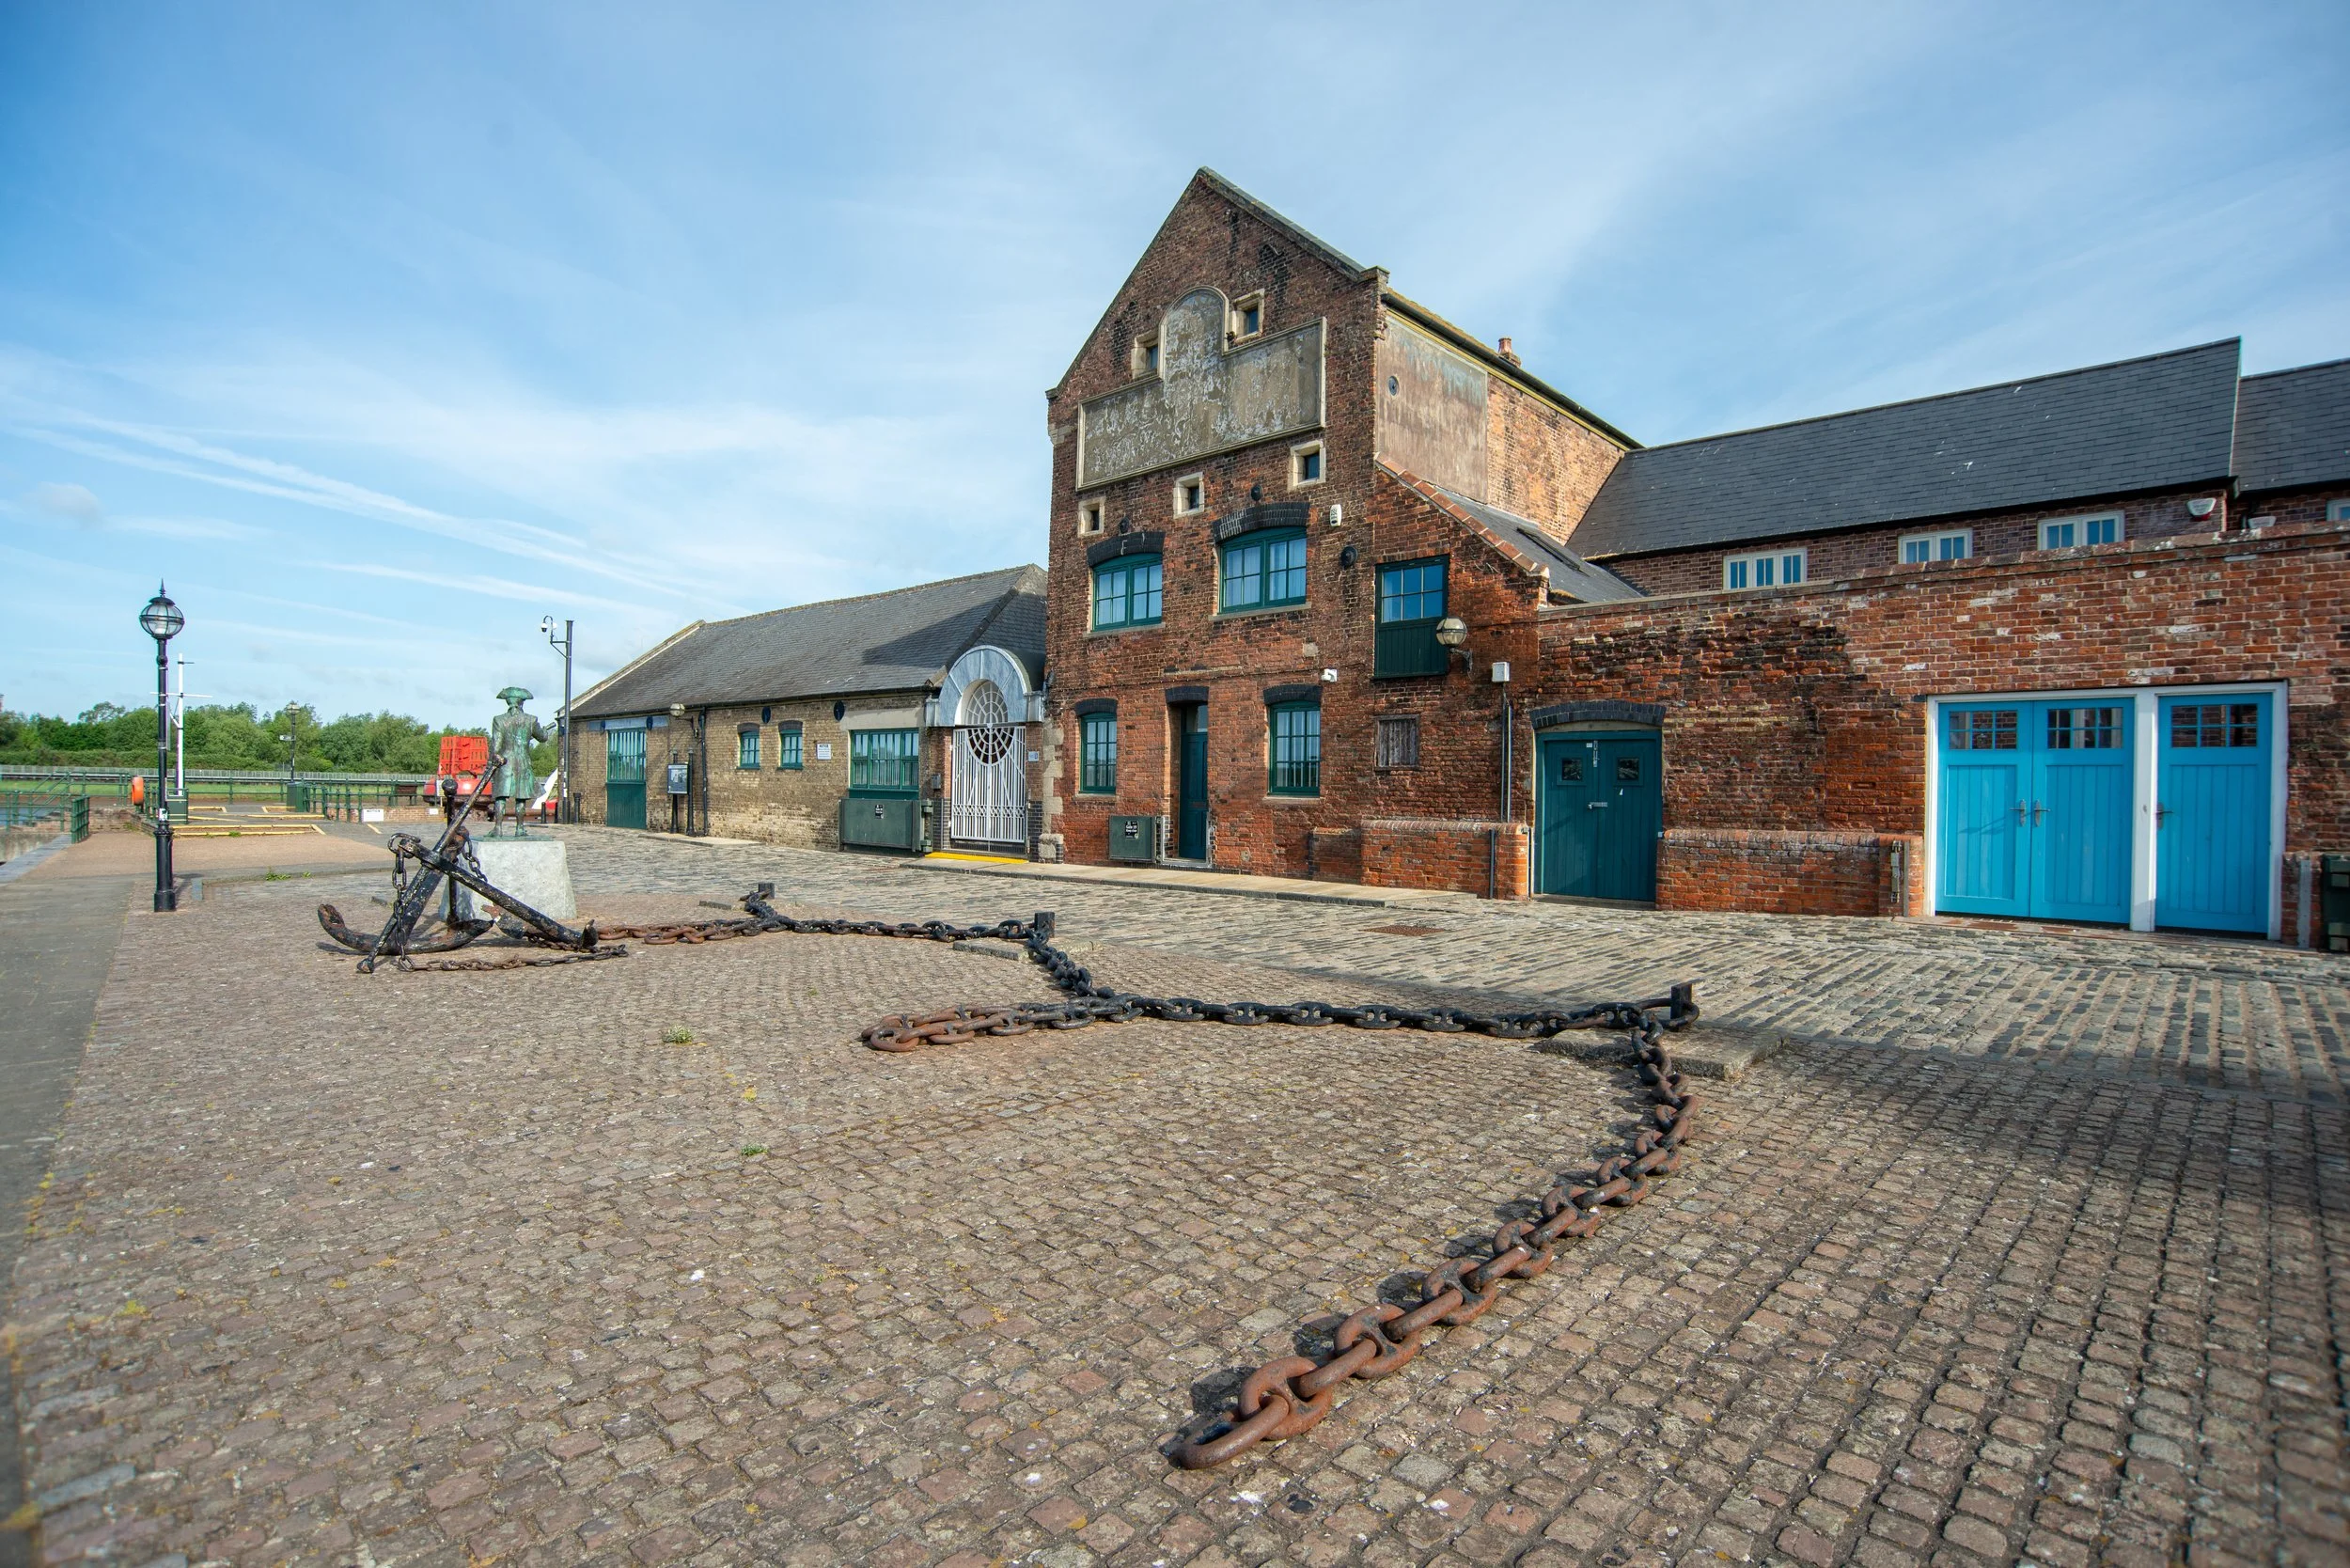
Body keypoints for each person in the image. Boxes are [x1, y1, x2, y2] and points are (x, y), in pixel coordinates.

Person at [488, 687, 553, 838]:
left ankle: (498, 828)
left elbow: (496, 746)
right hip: (523, 762)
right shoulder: (531, 720)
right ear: (522, 703)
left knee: (500, 797)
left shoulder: (499, 720)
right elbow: (543, 737)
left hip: (505, 762)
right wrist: (545, 730)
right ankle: (519, 828)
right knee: (521, 798)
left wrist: (495, 757)